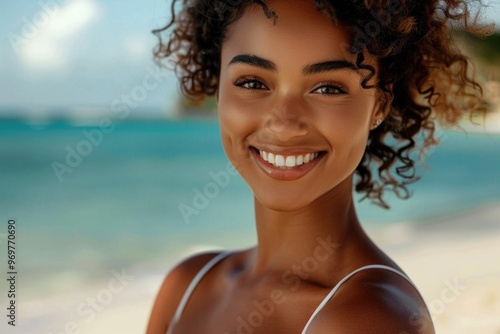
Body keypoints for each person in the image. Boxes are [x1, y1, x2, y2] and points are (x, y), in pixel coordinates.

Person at [147, 0, 491, 333]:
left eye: (328, 88)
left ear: (380, 105)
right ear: (218, 86)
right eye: (252, 83)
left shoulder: (369, 320)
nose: (283, 123)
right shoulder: (186, 286)